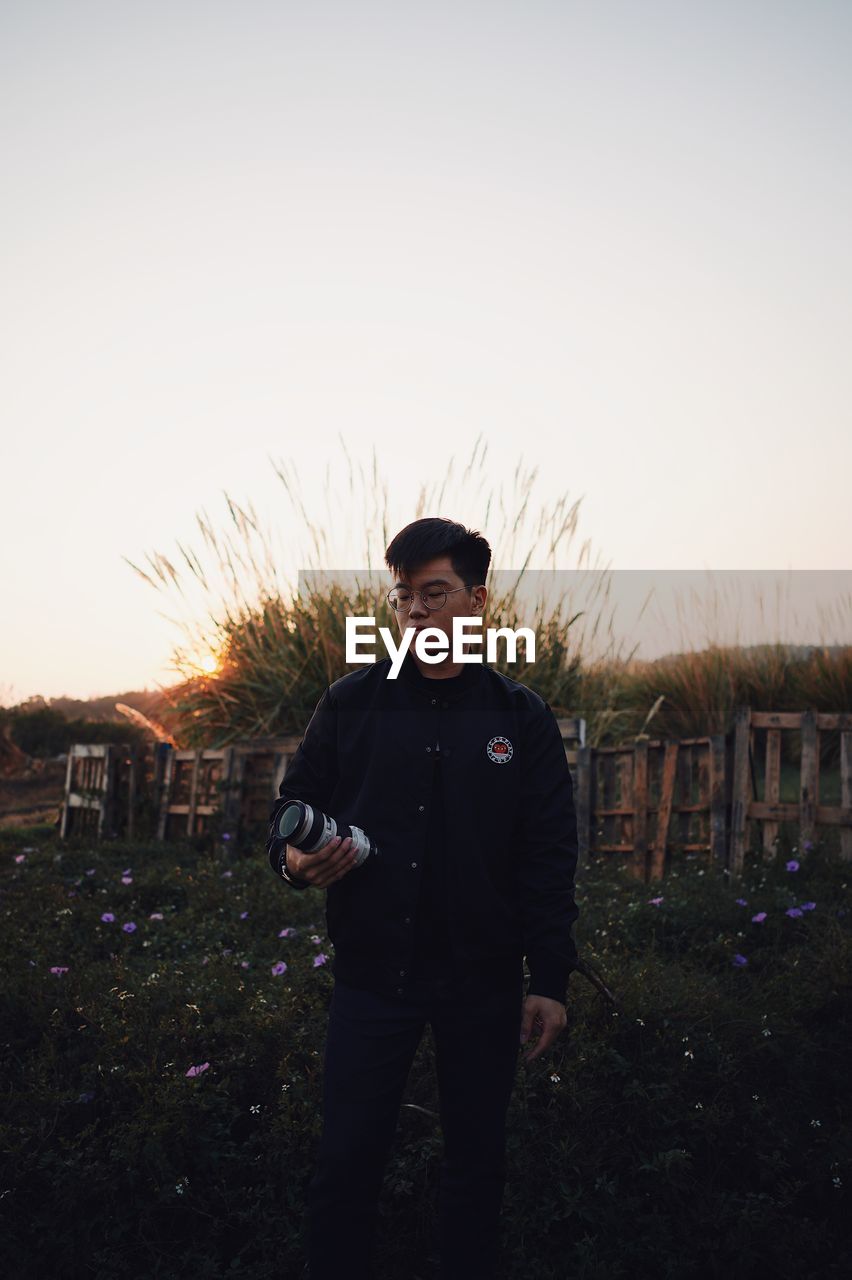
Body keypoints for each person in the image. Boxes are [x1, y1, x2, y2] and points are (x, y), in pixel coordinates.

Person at [266, 516, 580, 1280]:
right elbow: (289, 813)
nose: (417, 612)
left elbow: (548, 857)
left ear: (477, 601)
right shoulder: (350, 702)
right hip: (373, 979)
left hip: (484, 982)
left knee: (477, 1167)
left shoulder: (521, 718)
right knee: (345, 1166)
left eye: (435, 593)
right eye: (405, 596)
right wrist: (296, 863)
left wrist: (550, 982)